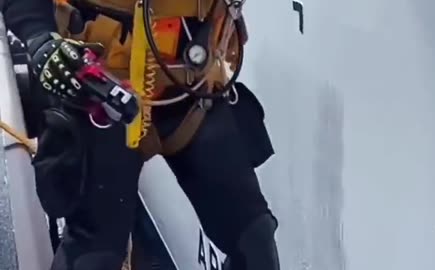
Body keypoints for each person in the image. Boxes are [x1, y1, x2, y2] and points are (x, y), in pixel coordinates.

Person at [3, 0, 281, 269]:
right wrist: (40, 38)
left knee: (254, 238)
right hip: (102, 91)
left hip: (193, 91)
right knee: (94, 254)